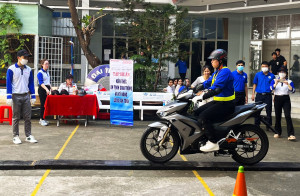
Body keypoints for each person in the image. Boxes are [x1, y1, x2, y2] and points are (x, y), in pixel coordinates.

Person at [194, 49, 235, 152]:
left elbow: (216, 88)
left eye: (213, 60)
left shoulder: (225, 71)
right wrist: (196, 88)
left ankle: (212, 142)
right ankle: (205, 135)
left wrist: (203, 96)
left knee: (203, 117)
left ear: (220, 61)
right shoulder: (217, 72)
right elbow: (208, 82)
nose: (211, 62)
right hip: (218, 102)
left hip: (226, 105)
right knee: (197, 112)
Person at [6, 49, 38, 144]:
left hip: (25, 95)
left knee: (28, 117)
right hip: (16, 96)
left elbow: (31, 83)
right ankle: (15, 136)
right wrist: (8, 96)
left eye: (27, 57)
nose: (26, 59)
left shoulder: (28, 69)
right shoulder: (11, 69)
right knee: (16, 117)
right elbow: (9, 83)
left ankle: (28, 135)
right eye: (24, 57)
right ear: (18, 58)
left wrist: (33, 95)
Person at [270, 66, 296, 141]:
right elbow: (271, 89)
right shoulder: (274, 80)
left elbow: (293, 91)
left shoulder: (290, 81)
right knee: (278, 115)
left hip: (286, 99)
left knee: (287, 115)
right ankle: (277, 132)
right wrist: (275, 83)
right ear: (278, 73)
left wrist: (288, 84)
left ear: (286, 74)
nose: (282, 73)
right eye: (280, 72)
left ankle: (291, 134)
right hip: (277, 98)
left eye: (283, 72)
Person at [251, 61, 275, 128]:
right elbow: (254, 84)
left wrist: (274, 96)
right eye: (263, 66)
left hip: (268, 95)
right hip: (259, 95)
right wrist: (253, 94)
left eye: (266, 66)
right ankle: (256, 125)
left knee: (268, 111)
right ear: (261, 67)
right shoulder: (258, 74)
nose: (264, 68)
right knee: (257, 111)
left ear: (268, 67)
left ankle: (268, 126)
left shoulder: (272, 76)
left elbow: (274, 86)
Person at [37, 59, 52, 126]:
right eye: (45, 64)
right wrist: (46, 89)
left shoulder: (47, 72)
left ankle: (44, 117)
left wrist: (51, 89)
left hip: (47, 89)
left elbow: (48, 82)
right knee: (43, 104)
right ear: (42, 64)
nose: (47, 65)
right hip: (43, 89)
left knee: (46, 105)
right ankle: (41, 119)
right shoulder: (40, 72)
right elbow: (41, 83)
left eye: (48, 64)